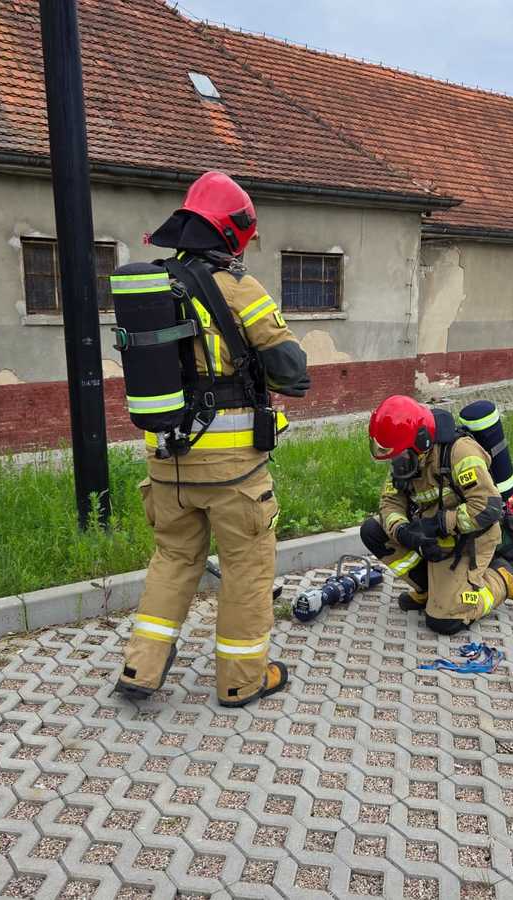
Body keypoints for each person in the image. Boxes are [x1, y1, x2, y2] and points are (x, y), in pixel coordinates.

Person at [116, 171, 310, 707]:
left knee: (173, 560)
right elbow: (292, 371)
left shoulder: (156, 286)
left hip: (164, 461)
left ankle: (141, 667)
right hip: (233, 471)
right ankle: (241, 681)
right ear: (233, 233)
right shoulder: (238, 287)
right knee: (247, 567)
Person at [360, 395, 513, 634]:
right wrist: (405, 532)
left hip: (471, 537)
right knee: (372, 531)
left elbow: (487, 507)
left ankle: (502, 582)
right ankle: (429, 590)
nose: (396, 462)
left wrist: (438, 525)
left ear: (421, 443)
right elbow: (390, 502)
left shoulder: (460, 452)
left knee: (444, 621)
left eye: (400, 455)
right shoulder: (407, 456)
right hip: (434, 535)